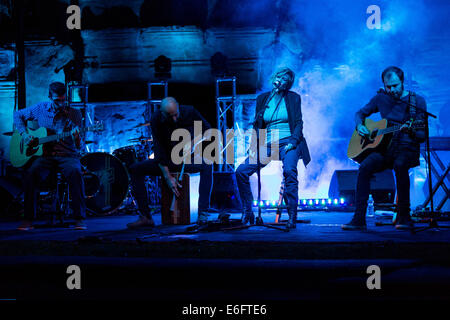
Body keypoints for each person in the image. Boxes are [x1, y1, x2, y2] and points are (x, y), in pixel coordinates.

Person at [342, 66, 427, 231]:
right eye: (388, 86)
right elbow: (359, 113)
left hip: (407, 147)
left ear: (403, 82)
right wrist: (360, 125)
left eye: (395, 86)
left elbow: (422, 136)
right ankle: (359, 218)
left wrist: (411, 129)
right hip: (385, 148)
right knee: (365, 167)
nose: (392, 90)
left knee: (400, 165)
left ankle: (404, 216)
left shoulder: (417, 101)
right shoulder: (380, 98)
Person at [235, 67, 310, 229]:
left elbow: (298, 123)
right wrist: (253, 145)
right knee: (241, 171)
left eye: (285, 79)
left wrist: (294, 141)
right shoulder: (263, 99)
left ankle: (292, 215)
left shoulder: (293, 98)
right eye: (279, 77)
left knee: (289, 170)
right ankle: (248, 210)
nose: (281, 81)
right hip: (268, 144)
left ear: (289, 84)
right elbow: (258, 125)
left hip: (289, 141)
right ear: (274, 78)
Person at [127, 97, 213, 228]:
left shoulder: (190, 111)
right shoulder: (156, 119)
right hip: (166, 161)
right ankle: (146, 217)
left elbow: (208, 130)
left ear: (178, 107)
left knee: (207, 165)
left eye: (175, 115)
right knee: (135, 169)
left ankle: (203, 213)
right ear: (162, 113)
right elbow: (159, 151)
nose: (174, 119)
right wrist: (167, 176)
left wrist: (195, 143)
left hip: (186, 159)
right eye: (169, 116)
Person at [13, 82, 87, 230]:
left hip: (67, 155)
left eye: (63, 100)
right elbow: (17, 115)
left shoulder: (74, 114)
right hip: (45, 155)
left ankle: (79, 219)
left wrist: (78, 138)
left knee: (75, 172)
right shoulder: (40, 108)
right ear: (49, 97)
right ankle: (28, 219)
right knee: (30, 174)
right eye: (56, 100)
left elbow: (80, 146)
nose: (60, 104)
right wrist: (25, 135)